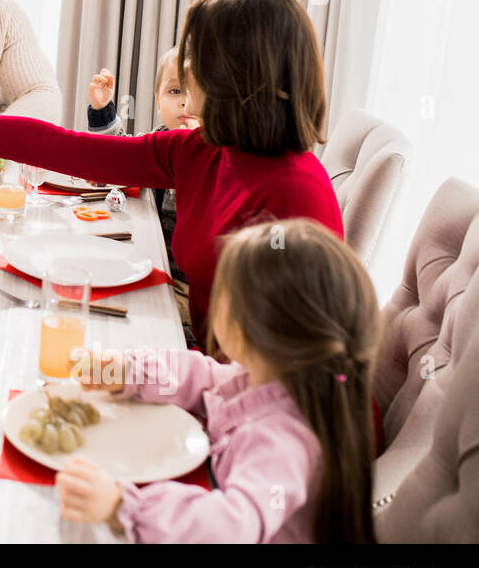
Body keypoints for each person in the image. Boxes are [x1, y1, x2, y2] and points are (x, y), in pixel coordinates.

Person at [0, 0, 344, 342]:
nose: (188, 74)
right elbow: (58, 146)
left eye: (201, 61)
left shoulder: (294, 192)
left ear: (241, 78)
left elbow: (297, 368)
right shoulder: (202, 149)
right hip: (204, 371)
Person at [55, 219, 382, 543]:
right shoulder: (273, 378)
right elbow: (206, 379)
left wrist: (121, 507)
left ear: (246, 328)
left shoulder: (282, 441)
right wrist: (129, 371)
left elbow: (231, 529)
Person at [87, 48, 198, 330]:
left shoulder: (218, 153)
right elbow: (119, 155)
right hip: (146, 263)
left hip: (188, 284)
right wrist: (103, 111)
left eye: (196, 91)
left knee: (156, 324)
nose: (185, 102)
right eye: (175, 91)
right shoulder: (157, 142)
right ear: (158, 102)